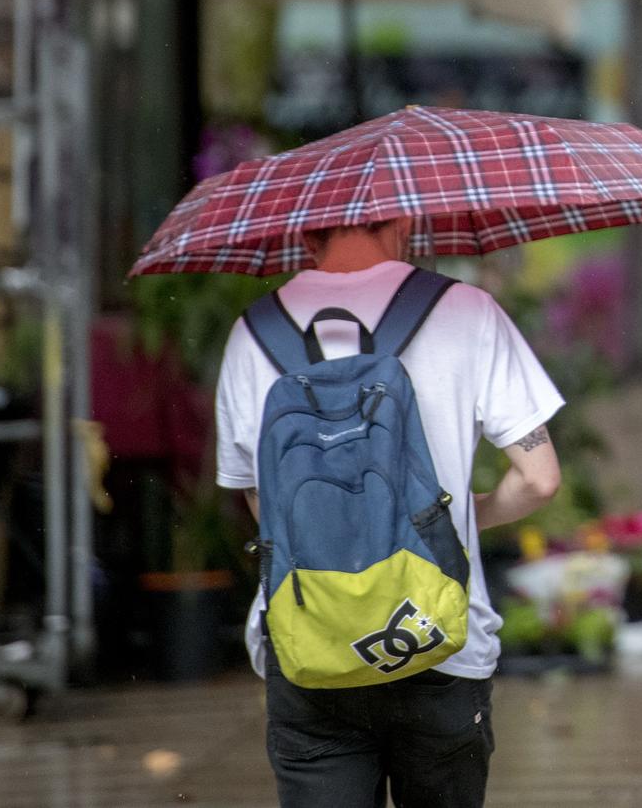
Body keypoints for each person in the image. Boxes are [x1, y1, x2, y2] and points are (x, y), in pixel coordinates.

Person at [214, 217, 566, 807]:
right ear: (403, 220)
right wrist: (449, 519)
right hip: (435, 635)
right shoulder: (467, 311)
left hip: (309, 642)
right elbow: (540, 479)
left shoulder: (252, 335)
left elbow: (260, 501)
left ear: (303, 235)